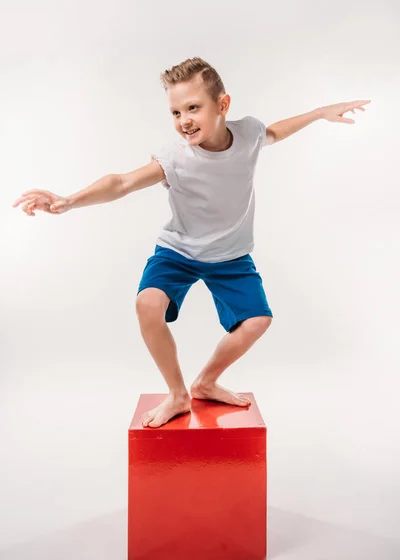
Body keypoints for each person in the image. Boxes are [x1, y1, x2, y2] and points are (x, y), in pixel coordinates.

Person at [13, 57, 370, 428]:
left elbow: (276, 132)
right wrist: (69, 200)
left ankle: (206, 382)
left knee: (258, 321)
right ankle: (178, 394)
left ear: (223, 105)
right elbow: (121, 182)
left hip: (230, 255)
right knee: (147, 305)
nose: (184, 120)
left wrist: (319, 112)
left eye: (193, 108)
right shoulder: (175, 158)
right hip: (179, 252)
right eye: (176, 112)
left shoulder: (248, 134)